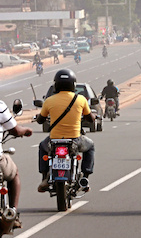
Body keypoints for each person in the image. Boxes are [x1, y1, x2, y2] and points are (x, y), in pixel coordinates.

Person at [36, 69, 96, 192]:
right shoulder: (81, 99)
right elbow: (90, 119)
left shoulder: (49, 101)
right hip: (75, 140)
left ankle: (44, 178)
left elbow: (40, 120)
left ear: (56, 85)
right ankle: (85, 177)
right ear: (73, 85)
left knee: (42, 146)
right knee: (90, 146)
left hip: (53, 141)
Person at [0, 100, 33, 229]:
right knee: (14, 174)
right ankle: (12, 213)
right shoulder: (0, 106)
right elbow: (15, 131)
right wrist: (26, 130)